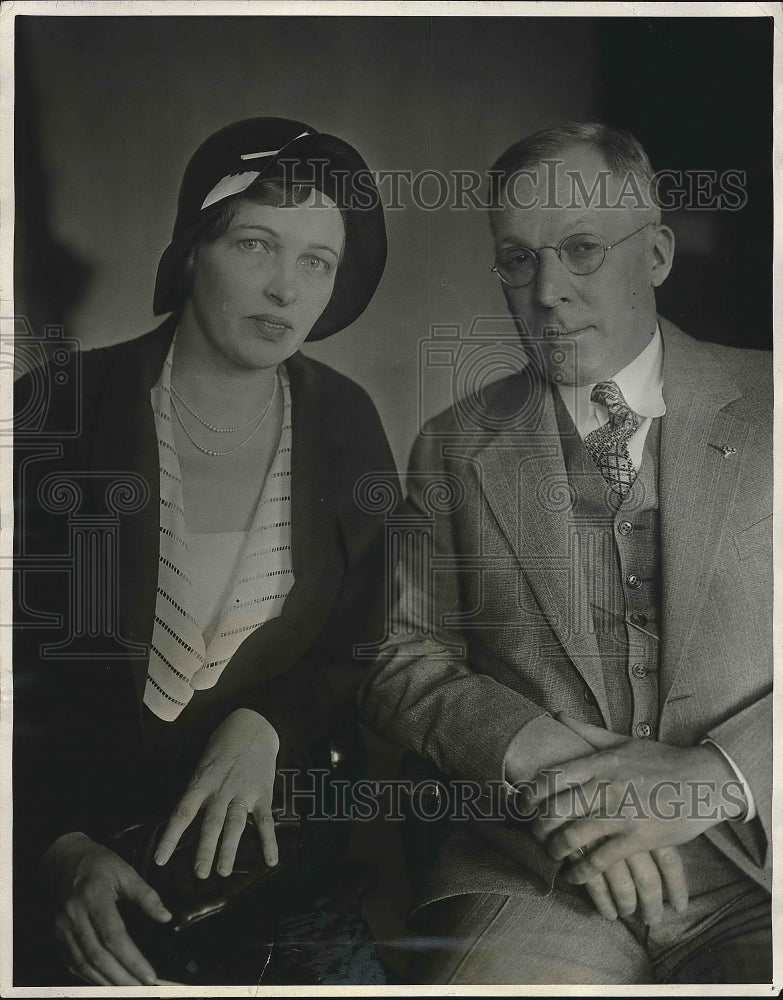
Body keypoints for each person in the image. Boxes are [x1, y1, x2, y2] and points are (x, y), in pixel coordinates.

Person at [359, 122, 771, 984]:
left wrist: (714, 777)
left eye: (581, 249)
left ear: (655, 254)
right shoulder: (453, 443)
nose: (546, 290)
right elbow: (400, 658)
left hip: (758, 870)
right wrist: (550, 767)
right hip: (537, 872)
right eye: (517, 260)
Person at [13, 116, 396, 986]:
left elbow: (360, 636)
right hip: (82, 904)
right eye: (256, 244)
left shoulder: (345, 425)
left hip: (288, 899)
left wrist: (270, 723)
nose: (284, 289)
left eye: (315, 262)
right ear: (192, 251)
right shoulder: (56, 409)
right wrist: (50, 849)